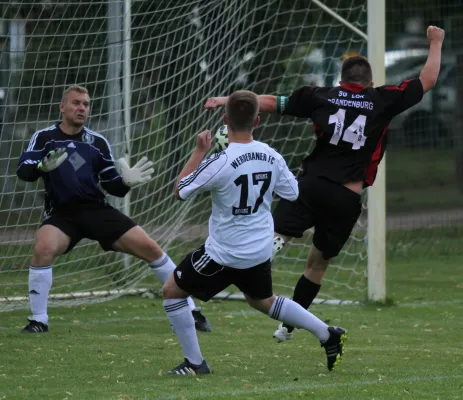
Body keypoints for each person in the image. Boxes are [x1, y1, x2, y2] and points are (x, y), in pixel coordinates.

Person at [204, 26, 445, 342]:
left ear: (341, 81)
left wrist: (227, 100)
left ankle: (211, 280)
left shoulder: (321, 95)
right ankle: (287, 327)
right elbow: (427, 80)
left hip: (310, 186)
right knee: (316, 265)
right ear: (369, 82)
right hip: (345, 197)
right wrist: (435, 42)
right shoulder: (383, 99)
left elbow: (272, 103)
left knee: (270, 237)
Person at [161, 90, 347, 375]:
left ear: (225, 120)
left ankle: (195, 364)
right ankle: (327, 334)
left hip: (224, 253)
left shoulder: (220, 160)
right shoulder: (271, 155)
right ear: (257, 121)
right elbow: (293, 192)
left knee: (172, 291)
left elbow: (180, 191)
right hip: (258, 251)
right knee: (263, 301)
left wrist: (199, 151)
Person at [16, 85, 211, 333]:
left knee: (152, 249)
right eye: (76, 103)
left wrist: (126, 182)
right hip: (62, 214)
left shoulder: (97, 142)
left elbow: (114, 188)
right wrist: (41, 168)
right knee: (43, 247)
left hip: (97, 210)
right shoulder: (44, 138)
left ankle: (191, 311)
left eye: (86, 104)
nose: (82, 108)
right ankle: (38, 321)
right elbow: (23, 172)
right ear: (62, 107)